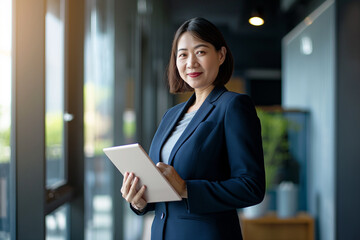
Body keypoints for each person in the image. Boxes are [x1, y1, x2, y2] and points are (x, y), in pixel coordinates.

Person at [121, 17, 265, 240]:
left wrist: (187, 188)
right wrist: (140, 201)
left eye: (200, 52)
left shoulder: (233, 106)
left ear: (221, 55)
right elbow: (163, 192)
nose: (191, 63)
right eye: (183, 55)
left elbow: (251, 187)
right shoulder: (171, 115)